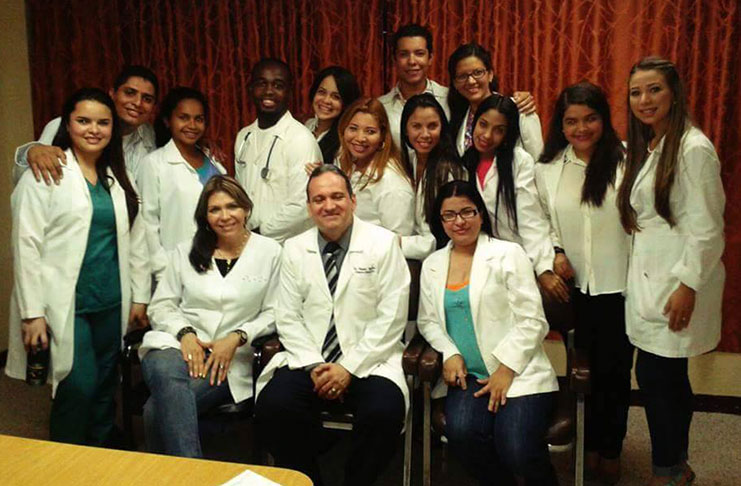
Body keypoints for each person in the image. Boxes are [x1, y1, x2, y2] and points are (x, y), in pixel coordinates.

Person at [5, 88, 150, 445]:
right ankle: (64, 467)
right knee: (77, 386)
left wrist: (140, 297)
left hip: (110, 300)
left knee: (104, 389)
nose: (93, 129)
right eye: (83, 121)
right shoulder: (45, 173)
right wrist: (32, 312)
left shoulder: (115, 178)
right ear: (66, 125)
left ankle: (99, 462)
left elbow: (136, 242)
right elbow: (26, 244)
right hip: (66, 304)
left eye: (102, 122)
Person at [254, 164, 411, 486]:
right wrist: (315, 365)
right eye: (319, 199)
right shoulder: (295, 248)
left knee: (384, 412)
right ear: (309, 207)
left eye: (337, 196)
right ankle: (308, 480)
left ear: (353, 200)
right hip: (310, 359)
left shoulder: (383, 243)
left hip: (370, 361)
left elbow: (391, 316)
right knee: (273, 406)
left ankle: (357, 481)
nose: (329, 205)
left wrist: (348, 368)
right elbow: (287, 316)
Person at [617, 57, 725, 486]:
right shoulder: (652, 144)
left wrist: (688, 285)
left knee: (657, 378)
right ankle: (677, 463)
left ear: (674, 92)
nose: (644, 100)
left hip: (676, 283)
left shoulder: (693, 148)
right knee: (666, 377)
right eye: (636, 92)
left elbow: (708, 228)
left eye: (654, 89)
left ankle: (669, 470)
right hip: (652, 281)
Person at [417, 180, 559, 485]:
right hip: (469, 374)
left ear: (480, 213)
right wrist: (450, 352)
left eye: (467, 211)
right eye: (449, 215)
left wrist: (506, 369)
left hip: (518, 372)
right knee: (462, 435)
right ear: (440, 221)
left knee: (517, 446)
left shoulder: (509, 254)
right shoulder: (432, 264)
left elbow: (533, 320)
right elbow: (427, 321)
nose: (459, 221)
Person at [138, 176, 281, 458]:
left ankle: (176, 476)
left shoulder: (270, 252)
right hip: (174, 347)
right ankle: (196, 473)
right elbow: (162, 305)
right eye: (215, 209)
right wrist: (185, 334)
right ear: (205, 215)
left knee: (155, 410)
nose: (225, 216)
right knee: (167, 375)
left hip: (227, 361)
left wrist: (238, 337)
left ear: (246, 209)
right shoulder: (186, 250)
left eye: (232, 207)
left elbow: (276, 311)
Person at [536, 82, 631, 483]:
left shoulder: (628, 159)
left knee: (615, 374)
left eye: (589, 118)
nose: (580, 128)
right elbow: (542, 222)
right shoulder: (548, 168)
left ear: (603, 119)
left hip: (621, 286)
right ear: (561, 124)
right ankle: (588, 445)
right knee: (583, 372)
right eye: (571, 120)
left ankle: (610, 448)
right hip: (576, 290)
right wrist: (555, 252)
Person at [461, 94, 564, 302]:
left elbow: (531, 219)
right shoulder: (465, 162)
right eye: (483, 124)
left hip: (519, 258)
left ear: (508, 134)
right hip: (482, 260)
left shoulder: (519, 161)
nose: (487, 135)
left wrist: (542, 268)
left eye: (499, 130)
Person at [137, 87, 226, 282]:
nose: (192, 125)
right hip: (176, 270)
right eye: (184, 118)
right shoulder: (154, 164)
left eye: (199, 119)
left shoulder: (213, 161)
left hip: (218, 264)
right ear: (168, 121)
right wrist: (163, 273)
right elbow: (148, 224)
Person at [14, 65, 158, 184]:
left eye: (147, 99)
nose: (138, 103)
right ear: (112, 94)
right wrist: (32, 150)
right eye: (130, 93)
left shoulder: (150, 135)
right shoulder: (65, 125)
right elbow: (29, 176)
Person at [234, 58, 323, 244]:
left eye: (278, 85)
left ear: (289, 92)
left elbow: (301, 205)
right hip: (250, 244)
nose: (268, 91)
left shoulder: (301, 139)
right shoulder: (244, 136)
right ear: (250, 89)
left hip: (289, 246)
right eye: (261, 84)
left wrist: (258, 235)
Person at [399, 93, 467, 260]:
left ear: (442, 127)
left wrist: (395, 243)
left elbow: (446, 236)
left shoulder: (448, 171)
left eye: (432, 126)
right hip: (416, 251)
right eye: (416, 126)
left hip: (444, 256)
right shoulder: (407, 160)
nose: (425, 134)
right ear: (405, 130)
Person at [447, 43, 542, 159]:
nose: (471, 81)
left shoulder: (520, 109)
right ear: (455, 83)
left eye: (478, 73)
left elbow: (538, 161)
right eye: (462, 76)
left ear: (490, 74)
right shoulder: (456, 114)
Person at [337, 97, 415, 236]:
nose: (360, 138)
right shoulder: (348, 164)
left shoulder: (392, 184)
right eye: (353, 129)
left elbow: (397, 240)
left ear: (382, 137)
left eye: (370, 131)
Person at [378, 23, 450, 149]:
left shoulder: (450, 99)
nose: (412, 61)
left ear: (430, 58)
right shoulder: (381, 107)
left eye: (419, 53)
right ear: (394, 60)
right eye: (404, 54)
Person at [305, 66, 361, 164]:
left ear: (346, 103)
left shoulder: (346, 140)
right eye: (321, 92)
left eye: (336, 97)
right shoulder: (308, 125)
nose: (326, 100)